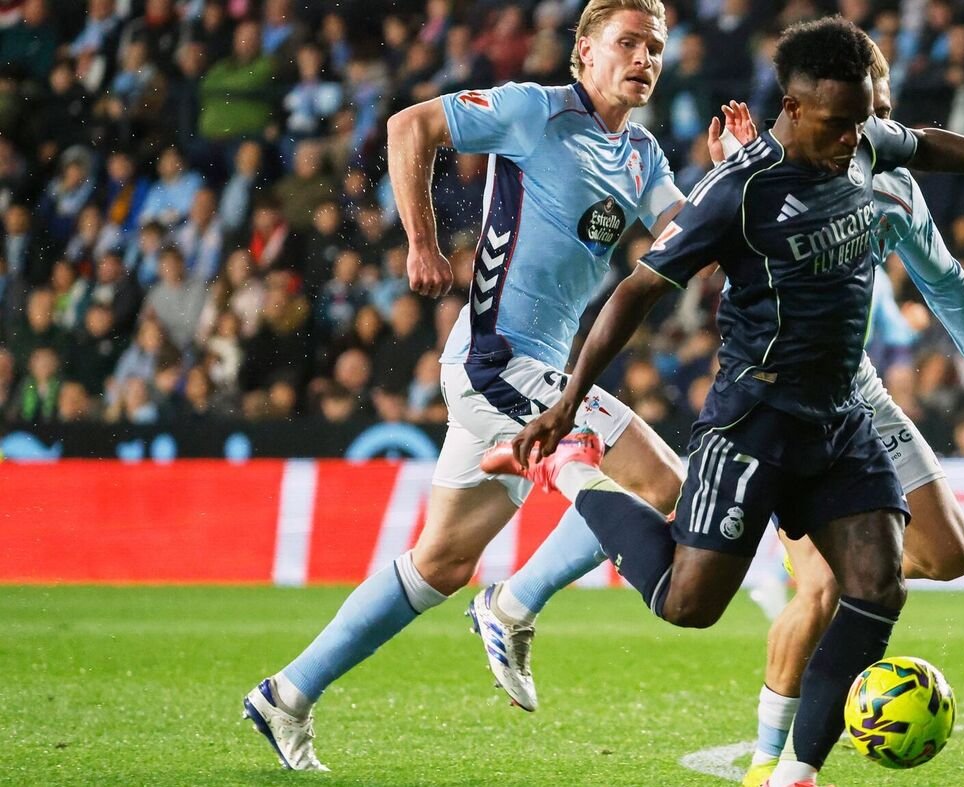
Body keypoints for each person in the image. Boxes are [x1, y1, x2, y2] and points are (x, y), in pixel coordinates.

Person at [489, 17, 964, 787]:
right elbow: (636, 291)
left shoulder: (860, 139)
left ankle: (795, 772)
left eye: (863, 121)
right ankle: (574, 472)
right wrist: (569, 403)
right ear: (795, 108)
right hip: (755, 421)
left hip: (841, 417)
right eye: (840, 124)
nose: (856, 139)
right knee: (687, 604)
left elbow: (925, 143)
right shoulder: (738, 191)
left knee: (876, 585)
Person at [240, 0, 738, 770]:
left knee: (438, 562)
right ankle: (512, 602)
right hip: (497, 362)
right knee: (663, 483)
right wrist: (421, 241)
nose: (644, 58)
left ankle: (287, 692)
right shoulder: (534, 111)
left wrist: (730, 176)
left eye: (655, 47)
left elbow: (686, 240)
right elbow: (410, 126)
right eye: (627, 42)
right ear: (584, 50)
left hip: (527, 375)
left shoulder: (641, 154)